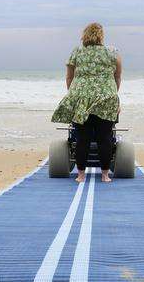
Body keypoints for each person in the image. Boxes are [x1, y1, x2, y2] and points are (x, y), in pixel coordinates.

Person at [51, 22, 122, 183]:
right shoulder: (112, 52)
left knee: (82, 138)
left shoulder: (77, 52)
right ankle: (105, 175)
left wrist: (73, 94)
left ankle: (80, 175)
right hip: (106, 97)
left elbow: (69, 77)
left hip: (81, 98)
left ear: (85, 35)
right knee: (105, 137)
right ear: (101, 36)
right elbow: (117, 76)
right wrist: (112, 94)